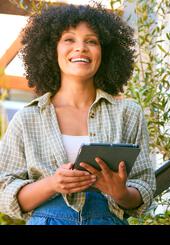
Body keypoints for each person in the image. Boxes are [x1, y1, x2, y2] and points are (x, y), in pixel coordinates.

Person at [0, 4, 155, 225]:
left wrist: (120, 192)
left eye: (91, 41)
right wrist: (53, 184)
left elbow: (145, 186)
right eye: (69, 40)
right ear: (51, 49)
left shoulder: (128, 114)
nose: (81, 48)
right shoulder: (28, 119)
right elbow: (3, 193)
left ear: (105, 52)